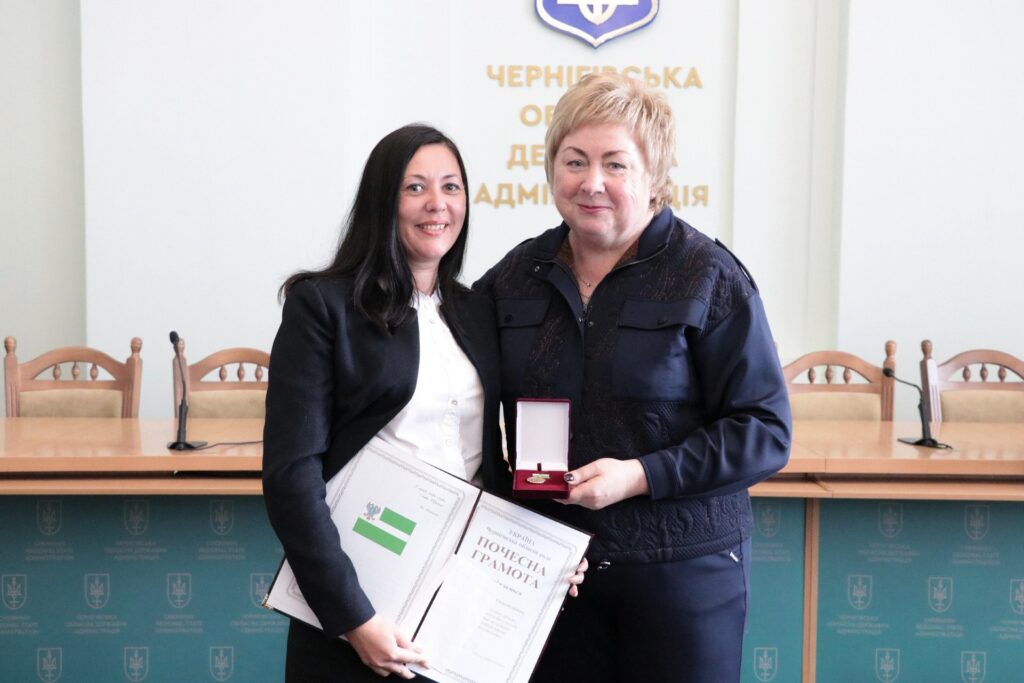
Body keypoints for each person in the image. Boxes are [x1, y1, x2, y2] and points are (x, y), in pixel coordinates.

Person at [474, 73, 792, 682]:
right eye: (574, 161)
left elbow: (765, 431)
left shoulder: (709, 275)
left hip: (683, 580)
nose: (591, 182)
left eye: (615, 164)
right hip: (550, 574)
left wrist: (641, 475)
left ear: (655, 176)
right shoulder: (516, 276)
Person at [262, 124, 531, 681]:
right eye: (415, 187)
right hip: (361, 593)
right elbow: (292, 476)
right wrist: (353, 618)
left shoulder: (476, 311)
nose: (438, 204)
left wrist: (540, 554)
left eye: (451, 187)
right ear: (382, 201)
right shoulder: (322, 306)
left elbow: (491, 465)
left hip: (458, 597)